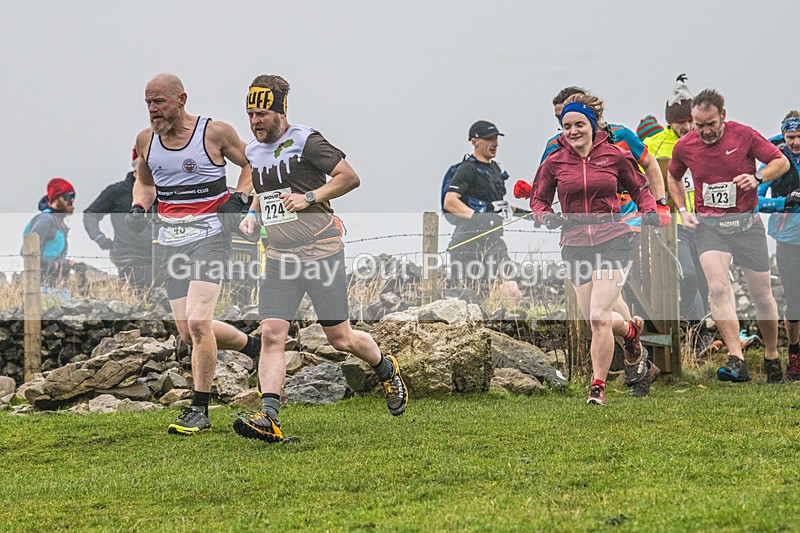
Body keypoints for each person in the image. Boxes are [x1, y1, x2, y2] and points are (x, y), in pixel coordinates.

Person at [234, 74, 408, 442]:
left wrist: (310, 197)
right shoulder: (252, 151)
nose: (255, 121)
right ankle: (269, 416)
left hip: (321, 252)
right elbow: (261, 190)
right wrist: (252, 214)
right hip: (279, 257)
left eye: (261, 113)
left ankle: (385, 368)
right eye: (250, 113)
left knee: (340, 339)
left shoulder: (306, 140)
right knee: (271, 333)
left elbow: (349, 177)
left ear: (280, 111)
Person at [129, 73, 262, 435]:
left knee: (200, 322)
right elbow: (144, 180)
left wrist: (239, 198)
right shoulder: (146, 141)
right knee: (188, 332)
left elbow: (250, 165)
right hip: (170, 242)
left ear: (181, 99)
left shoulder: (213, 133)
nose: (153, 110)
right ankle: (253, 346)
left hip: (211, 236)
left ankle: (199, 410)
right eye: (148, 103)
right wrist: (139, 208)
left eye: (159, 102)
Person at [531, 98, 664, 406]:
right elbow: (538, 200)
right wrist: (545, 216)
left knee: (598, 317)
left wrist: (651, 210)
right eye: (566, 126)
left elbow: (640, 188)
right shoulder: (555, 162)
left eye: (579, 124)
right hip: (574, 245)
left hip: (612, 240)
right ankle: (631, 332)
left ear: (592, 124)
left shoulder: (614, 155)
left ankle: (597, 387)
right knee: (593, 316)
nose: (573, 131)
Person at [667, 89, 790, 383]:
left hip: (747, 226)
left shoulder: (744, 135)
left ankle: (772, 355)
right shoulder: (685, 146)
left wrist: (757, 177)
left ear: (723, 115)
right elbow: (673, 176)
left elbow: (780, 162)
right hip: (710, 229)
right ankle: (737, 359)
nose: (705, 131)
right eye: (699, 125)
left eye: (710, 123)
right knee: (718, 289)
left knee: (762, 296)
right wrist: (684, 210)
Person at [643, 75, 713, 358]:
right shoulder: (654, 143)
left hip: (707, 224)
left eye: (689, 121)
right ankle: (695, 334)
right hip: (675, 227)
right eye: (679, 121)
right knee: (688, 276)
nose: (686, 126)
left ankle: (698, 335)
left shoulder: (708, 140)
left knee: (708, 282)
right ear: (668, 121)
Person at [444, 121, 530, 295]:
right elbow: (450, 201)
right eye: (489, 139)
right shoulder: (467, 169)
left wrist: (530, 215)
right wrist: (477, 217)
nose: (495, 143)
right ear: (474, 141)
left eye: (496, 138)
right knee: (470, 296)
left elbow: (498, 204)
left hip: (494, 241)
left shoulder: (495, 169)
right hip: (467, 244)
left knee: (512, 292)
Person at [756, 111, 800, 381]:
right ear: (784, 136)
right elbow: (755, 199)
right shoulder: (776, 160)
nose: (796, 142)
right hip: (788, 240)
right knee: (795, 301)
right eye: (791, 137)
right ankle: (794, 353)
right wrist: (783, 203)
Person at [84, 147, 153, 291]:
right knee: (145, 295)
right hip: (129, 257)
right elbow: (90, 214)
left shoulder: (159, 193)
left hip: (157, 256)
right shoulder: (118, 191)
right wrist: (99, 238)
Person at [23, 178, 76, 285]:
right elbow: (26, 252)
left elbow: (53, 253)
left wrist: (66, 264)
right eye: (68, 197)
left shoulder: (58, 221)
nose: (72, 200)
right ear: (56, 198)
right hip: (40, 284)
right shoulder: (45, 220)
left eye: (73, 196)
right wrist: (56, 266)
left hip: (56, 283)